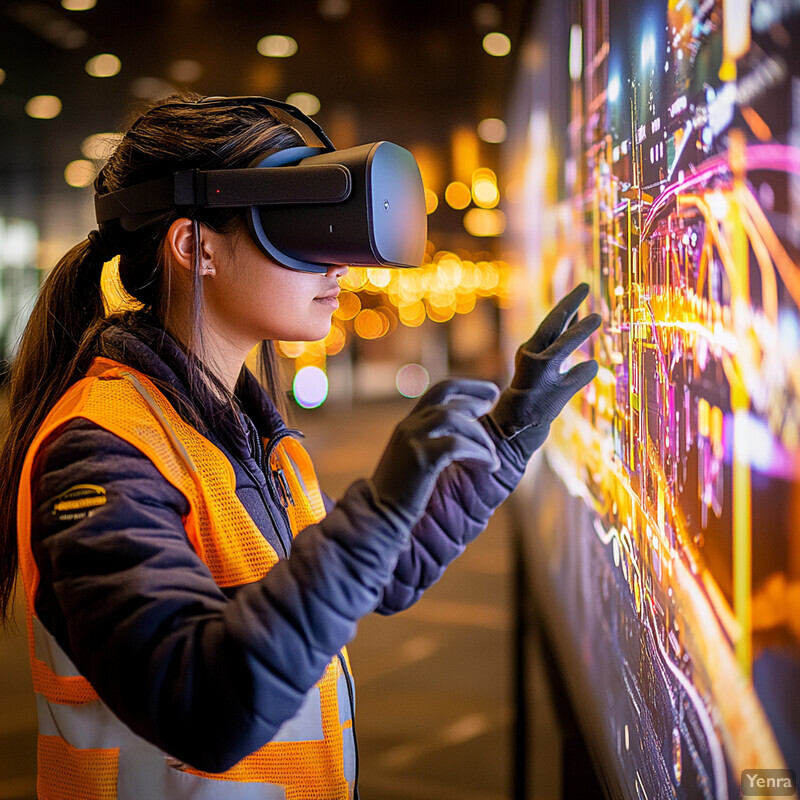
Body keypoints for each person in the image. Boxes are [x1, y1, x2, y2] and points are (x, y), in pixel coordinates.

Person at [0, 93, 601, 800]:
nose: (337, 265)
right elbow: (196, 702)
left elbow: (365, 580)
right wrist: (374, 513)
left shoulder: (248, 434)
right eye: (295, 230)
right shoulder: (99, 450)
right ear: (196, 247)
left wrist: (495, 450)